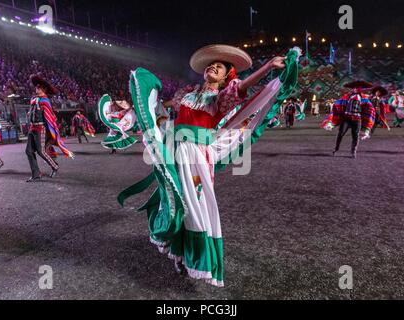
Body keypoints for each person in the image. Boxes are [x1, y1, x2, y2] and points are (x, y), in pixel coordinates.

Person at [119, 45, 302, 287]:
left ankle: (196, 258)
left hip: (197, 156)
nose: (213, 67)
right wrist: (142, 106)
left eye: (220, 67)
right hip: (177, 151)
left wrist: (267, 67)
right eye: (211, 64)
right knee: (177, 200)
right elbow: (164, 106)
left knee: (195, 204)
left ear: (226, 77)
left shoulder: (220, 98)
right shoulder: (187, 93)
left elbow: (243, 88)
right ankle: (180, 251)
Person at [25, 75, 74, 182]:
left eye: (39, 88)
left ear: (44, 89)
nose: (36, 89)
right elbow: (32, 112)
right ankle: (36, 174)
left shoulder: (45, 101)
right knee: (29, 151)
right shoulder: (34, 100)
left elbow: (49, 116)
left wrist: (51, 132)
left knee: (41, 151)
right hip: (32, 128)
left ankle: (54, 166)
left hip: (40, 128)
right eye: (36, 87)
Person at [322, 80, 376, 159]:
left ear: (360, 89)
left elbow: (370, 109)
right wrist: (331, 120)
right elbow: (338, 104)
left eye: (357, 88)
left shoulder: (364, 98)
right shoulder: (347, 96)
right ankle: (336, 149)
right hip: (347, 118)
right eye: (354, 88)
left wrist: (367, 126)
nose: (355, 89)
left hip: (357, 119)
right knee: (340, 134)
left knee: (355, 136)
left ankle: (353, 151)